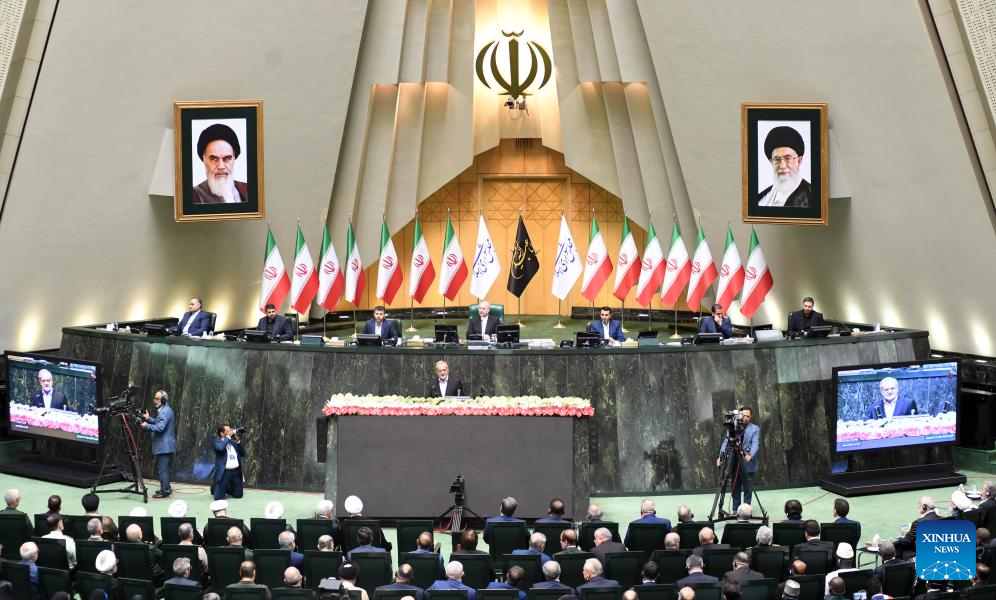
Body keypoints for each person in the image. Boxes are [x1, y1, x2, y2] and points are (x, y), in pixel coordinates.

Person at [715, 406, 760, 508]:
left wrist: (750, 455)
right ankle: (736, 509)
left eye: (748, 416)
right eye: (743, 415)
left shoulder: (755, 429)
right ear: (739, 415)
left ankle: (746, 509)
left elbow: (755, 444)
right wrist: (720, 457)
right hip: (734, 462)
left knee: (748, 488)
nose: (745, 418)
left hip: (747, 463)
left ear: (751, 417)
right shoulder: (732, 427)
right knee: (735, 487)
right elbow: (726, 442)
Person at [193, 123, 249, 204]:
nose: (221, 166)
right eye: (213, 158)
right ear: (204, 160)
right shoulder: (194, 196)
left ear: (234, 159)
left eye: (227, 158)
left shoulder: (248, 189)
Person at [757, 125, 811, 208]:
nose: (782, 166)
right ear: (771, 162)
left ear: (799, 161)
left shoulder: (812, 196)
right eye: (777, 159)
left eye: (788, 158)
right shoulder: (762, 198)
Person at [140, 390, 176, 499]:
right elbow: (158, 422)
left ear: (163, 400)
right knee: (164, 469)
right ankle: (166, 488)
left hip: (164, 447)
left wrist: (146, 426)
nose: (154, 400)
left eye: (157, 398)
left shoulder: (165, 411)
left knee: (163, 470)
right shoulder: (165, 410)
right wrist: (148, 418)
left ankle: (165, 491)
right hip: (165, 446)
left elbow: (160, 428)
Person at [211, 424, 245, 500]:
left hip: (236, 472)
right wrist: (228, 437)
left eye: (230, 430)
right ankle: (217, 487)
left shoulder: (233, 442)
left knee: (239, 495)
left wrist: (238, 441)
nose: (230, 431)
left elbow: (243, 454)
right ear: (221, 433)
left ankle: (226, 488)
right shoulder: (217, 442)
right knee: (218, 498)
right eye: (228, 431)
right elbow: (220, 448)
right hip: (224, 472)